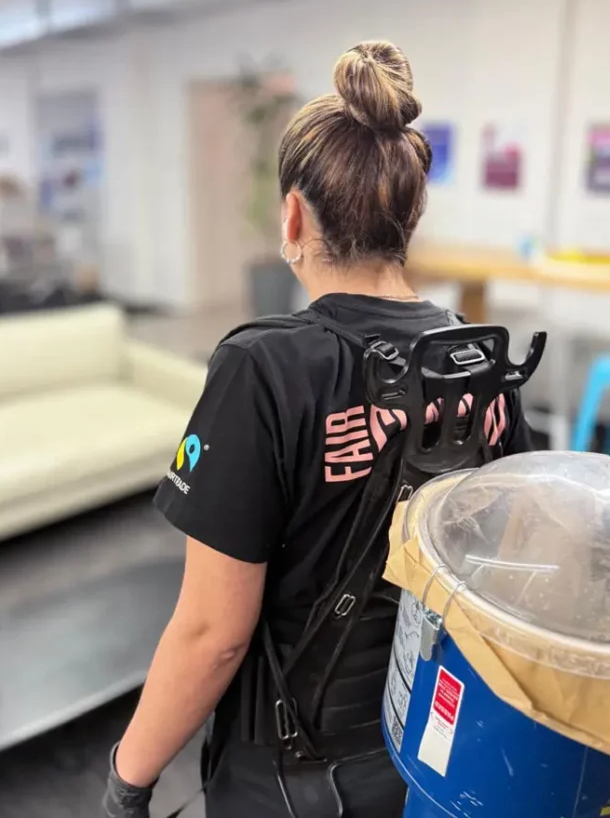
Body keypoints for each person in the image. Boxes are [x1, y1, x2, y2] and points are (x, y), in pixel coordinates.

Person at [103, 41, 532, 818]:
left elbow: (213, 635)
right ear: (411, 215)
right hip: (436, 749)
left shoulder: (263, 369)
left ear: (293, 214)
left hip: (295, 778)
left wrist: (126, 782)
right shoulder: (480, 358)